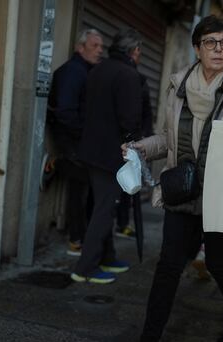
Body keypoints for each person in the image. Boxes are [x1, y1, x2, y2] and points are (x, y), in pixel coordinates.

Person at [117, 15, 223, 342]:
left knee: (219, 264)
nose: (218, 49)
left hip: (219, 195)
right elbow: (167, 137)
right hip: (182, 190)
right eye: (211, 42)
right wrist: (142, 148)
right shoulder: (178, 87)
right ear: (197, 48)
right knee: (168, 268)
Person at [70, 29, 145, 284]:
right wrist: (136, 146)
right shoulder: (129, 75)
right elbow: (130, 119)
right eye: (140, 51)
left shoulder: (98, 69)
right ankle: (85, 268)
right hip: (112, 153)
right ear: (133, 52)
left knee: (102, 205)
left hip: (90, 150)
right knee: (104, 209)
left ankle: (107, 257)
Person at [47, 29, 103, 256]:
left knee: (84, 185)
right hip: (71, 139)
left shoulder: (85, 71)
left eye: (101, 46)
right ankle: (75, 238)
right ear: (80, 48)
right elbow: (65, 112)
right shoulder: (73, 72)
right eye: (95, 46)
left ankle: (57, 164)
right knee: (80, 186)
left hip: (79, 139)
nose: (100, 50)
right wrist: (84, 135)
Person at [114, 73, 155, 240]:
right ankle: (121, 224)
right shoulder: (135, 81)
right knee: (122, 189)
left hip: (132, 143)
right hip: (128, 143)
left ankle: (122, 223)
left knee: (127, 189)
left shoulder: (137, 81)